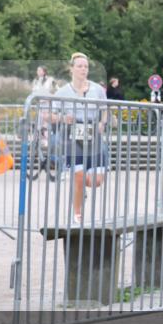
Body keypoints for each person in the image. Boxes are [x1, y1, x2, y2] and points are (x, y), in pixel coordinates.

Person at [51, 52, 108, 223]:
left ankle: (82, 187)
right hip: (72, 134)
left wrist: (102, 123)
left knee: (96, 181)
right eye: (79, 66)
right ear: (72, 69)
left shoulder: (97, 89)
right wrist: (62, 118)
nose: (83, 69)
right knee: (78, 177)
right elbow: (50, 115)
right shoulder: (62, 92)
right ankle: (77, 214)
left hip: (93, 133)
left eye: (86, 66)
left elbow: (105, 110)